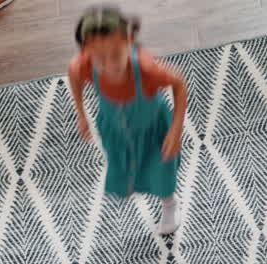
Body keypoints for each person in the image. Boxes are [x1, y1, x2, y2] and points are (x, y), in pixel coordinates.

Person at [68, 5, 188, 235]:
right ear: (86, 51)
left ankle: (170, 204)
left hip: (154, 132)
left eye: (115, 54)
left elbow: (179, 84)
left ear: (129, 41)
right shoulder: (84, 65)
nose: (109, 64)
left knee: (161, 173)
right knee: (125, 167)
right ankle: (136, 180)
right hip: (116, 131)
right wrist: (81, 112)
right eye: (99, 57)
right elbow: (73, 73)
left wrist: (176, 130)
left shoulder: (146, 69)